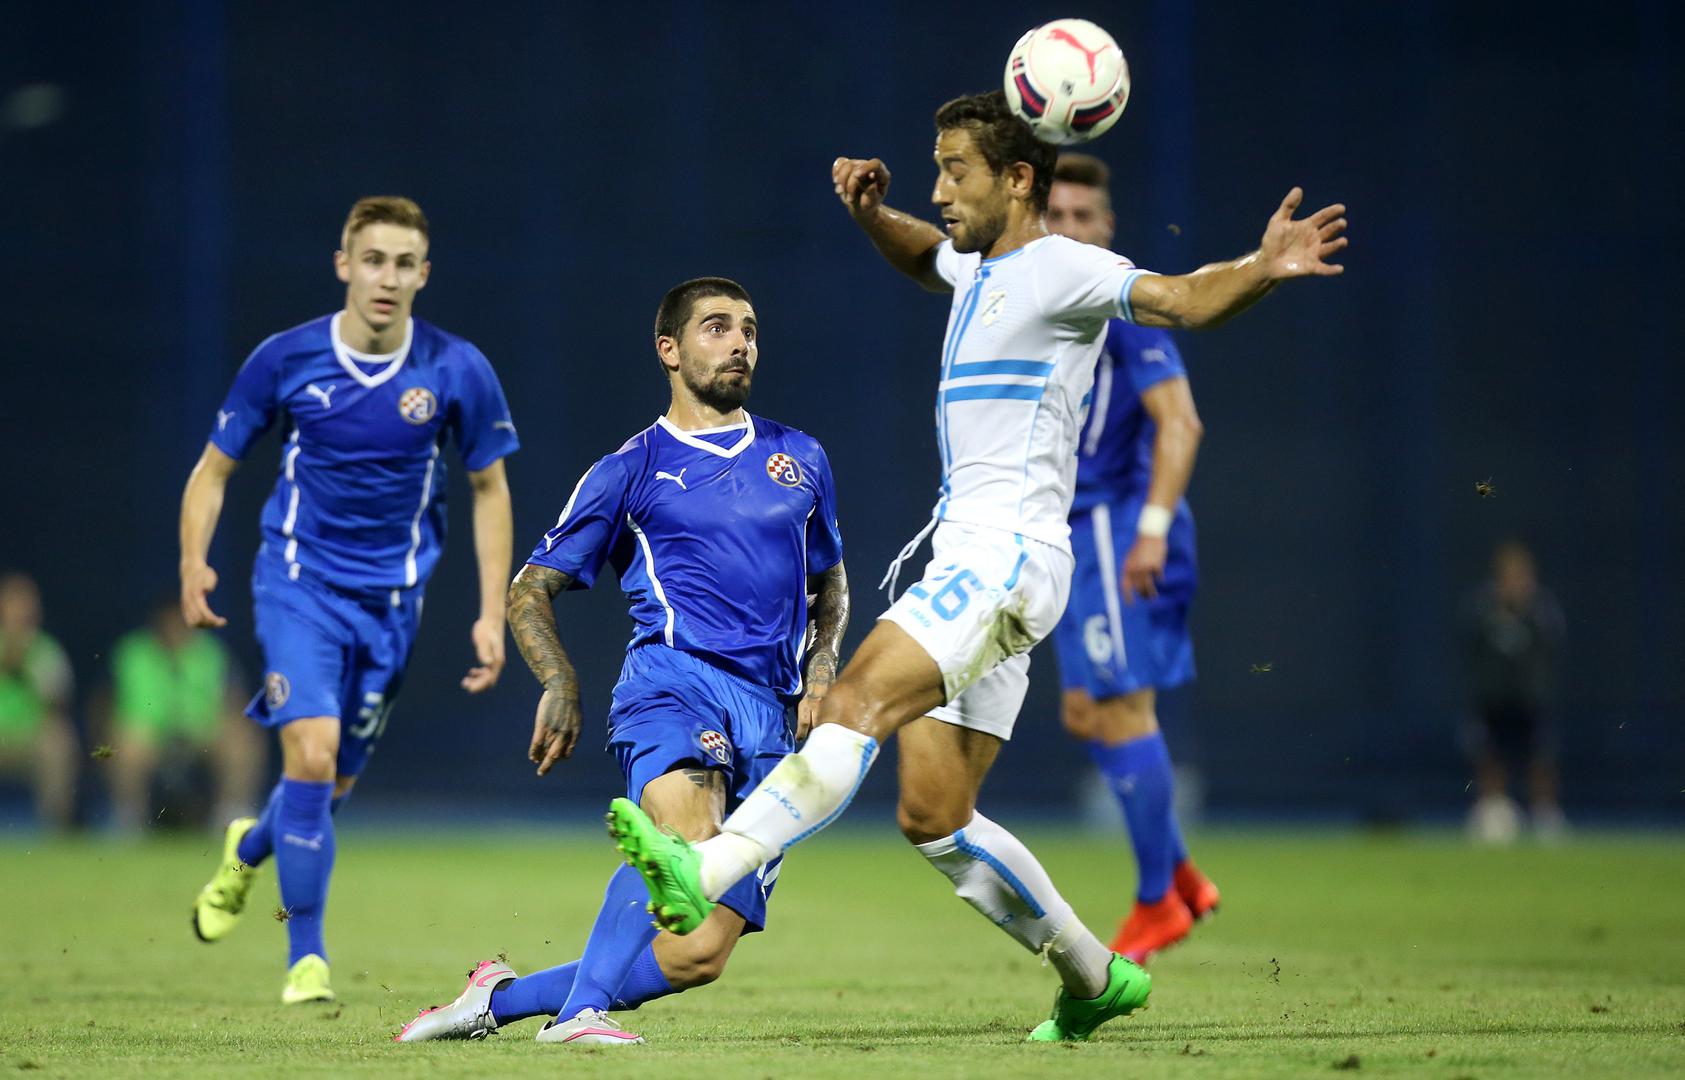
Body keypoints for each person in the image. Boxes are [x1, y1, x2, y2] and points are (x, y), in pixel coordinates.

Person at [606, 90, 1346, 1043]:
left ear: (1017, 179)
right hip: (986, 559)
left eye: (956, 171)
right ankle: (1093, 976)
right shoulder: (975, 265)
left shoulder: (1063, 267)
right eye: (937, 170)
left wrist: (1261, 267)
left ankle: (706, 868)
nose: (940, 189)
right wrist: (872, 215)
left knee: (849, 703)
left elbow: (1181, 297)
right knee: (934, 814)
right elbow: (924, 254)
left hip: (1003, 555)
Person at [396, 277, 847, 1046]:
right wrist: (559, 679)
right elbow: (530, 588)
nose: (740, 342)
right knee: (684, 836)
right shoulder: (630, 469)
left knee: (698, 953)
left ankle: (496, 1000)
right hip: (674, 684)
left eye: (748, 328)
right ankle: (577, 1019)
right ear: (668, 350)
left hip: (770, 718)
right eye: (716, 327)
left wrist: (824, 662)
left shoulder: (799, 456)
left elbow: (828, 579)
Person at [179, 196, 520, 1005]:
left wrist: (490, 611)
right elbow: (213, 470)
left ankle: (248, 848)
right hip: (297, 584)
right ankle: (307, 960)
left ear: (423, 275)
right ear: (344, 265)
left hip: (392, 604)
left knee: (327, 786)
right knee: (311, 754)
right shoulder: (285, 358)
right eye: (373, 260)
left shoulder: (456, 369)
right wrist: (194, 561)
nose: (386, 278)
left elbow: (489, 489)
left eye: (403, 264)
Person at [1042, 153, 1219, 964]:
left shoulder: (1119, 304)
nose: (1069, 230)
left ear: (1107, 229)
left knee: (1120, 709)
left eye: (1083, 217)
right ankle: (1179, 874)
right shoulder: (1047, 304)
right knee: (1086, 713)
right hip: (1078, 532)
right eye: (1055, 216)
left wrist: (1149, 528)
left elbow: (1180, 421)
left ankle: (1155, 901)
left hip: (1118, 527)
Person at [104, 599, 263, 832]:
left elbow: (236, 701)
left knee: (240, 736)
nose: (175, 628)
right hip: (150, 735)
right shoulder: (133, 652)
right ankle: (128, 817)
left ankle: (231, 813)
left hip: (201, 733)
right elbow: (105, 703)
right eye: (169, 622)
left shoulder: (212, 652)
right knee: (126, 740)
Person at [1462, 540, 1567, 843]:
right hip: (1493, 698)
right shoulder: (1482, 608)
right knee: (1490, 754)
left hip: (1529, 697)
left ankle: (1544, 813)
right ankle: (1493, 811)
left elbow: (1552, 646)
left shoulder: (1541, 609)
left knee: (1540, 755)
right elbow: (1469, 647)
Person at [0, 572, 77, 830]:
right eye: (13, 603)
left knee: (58, 740)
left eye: (26, 604)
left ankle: (54, 828)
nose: (20, 612)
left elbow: (57, 703)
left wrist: (28, 666)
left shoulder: (45, 649)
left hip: (29, 739)